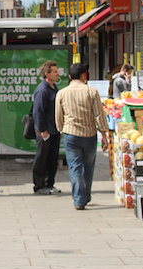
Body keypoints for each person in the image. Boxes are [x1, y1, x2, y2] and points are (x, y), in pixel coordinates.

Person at [55, 63, 110, 211]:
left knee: (75, 167)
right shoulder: (92, 92)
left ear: (69, 77)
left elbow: (58, 116)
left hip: (70, 135)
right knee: (88, 167)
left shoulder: (62, 93)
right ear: (84, 75)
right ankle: (85, 195)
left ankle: (79, 199)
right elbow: (99, 114)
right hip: (89, 134)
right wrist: (104, 133)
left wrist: (62, 129)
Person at [32, 60, 61, 195]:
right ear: (47, 74)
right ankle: (39, 185)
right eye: (54, 71)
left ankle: (50, 183)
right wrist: (42, 130)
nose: (57, 74)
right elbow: (38, 111)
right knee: (42, 158)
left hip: (55, 129)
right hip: (45, 131)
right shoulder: (42, 90)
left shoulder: (54, 88)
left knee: (52, 158)